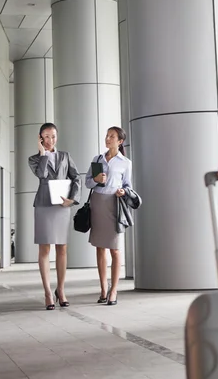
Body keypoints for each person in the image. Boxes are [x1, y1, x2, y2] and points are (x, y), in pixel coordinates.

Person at [28, 122, 80, 310]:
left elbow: (76, 178)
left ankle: (61, 289)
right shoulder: (34, 159)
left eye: (53, 136)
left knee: (62, 248)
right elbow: (42, 175)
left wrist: (72, 199)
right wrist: (43, 153)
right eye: (46, 136)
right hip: (43, 206)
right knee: (45, 249)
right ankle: (48, 293)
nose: (50, 140)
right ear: (40, 138)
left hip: (61, 206)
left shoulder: (65, 156)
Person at [85, 126, 132, 306]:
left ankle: (114, 291)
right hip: (98, 203)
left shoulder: (125, 162)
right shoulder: (97, 159)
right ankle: (103, 289)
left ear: (120, 141)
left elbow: (128, 186)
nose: (108, 138)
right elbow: (88, 182)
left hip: (114, 204)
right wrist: (96, 180)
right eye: (107, 136)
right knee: (100, 247)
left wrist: (123, 191)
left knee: (115, 248)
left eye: (112, 136)